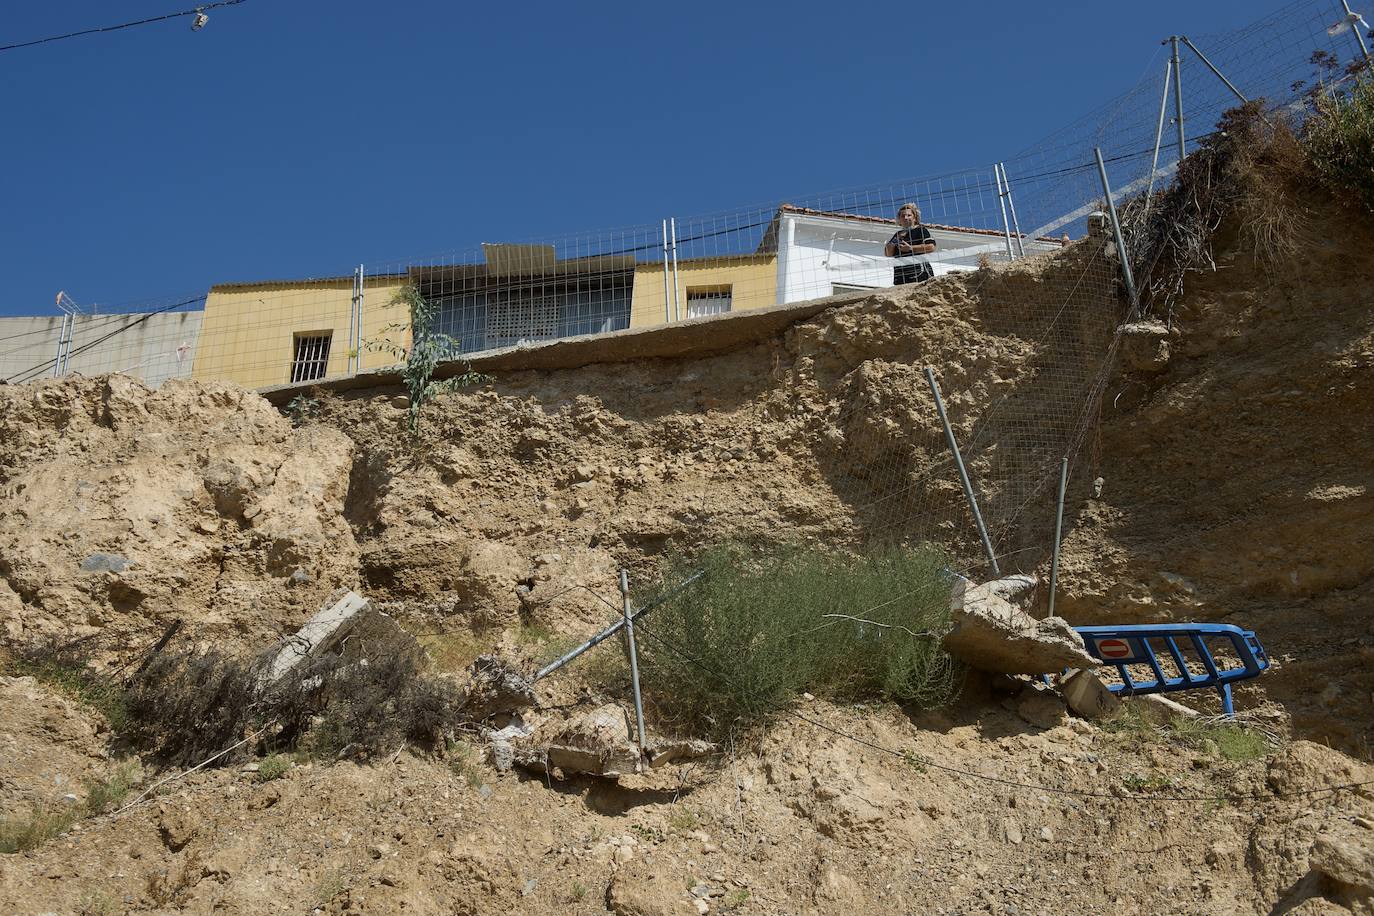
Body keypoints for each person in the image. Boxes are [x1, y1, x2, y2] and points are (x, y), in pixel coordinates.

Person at [885, 202, 936, 285]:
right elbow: (888, 253)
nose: (905, 218)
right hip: (901, 276)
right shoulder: (898, 234)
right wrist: (896, 239)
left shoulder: (921, 230)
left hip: (919, 274)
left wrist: (911, 248)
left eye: (909, 215)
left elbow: (931, 247)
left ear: (915, 218)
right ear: (899, 219)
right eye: (902, 216)